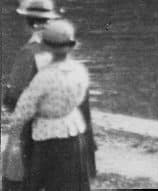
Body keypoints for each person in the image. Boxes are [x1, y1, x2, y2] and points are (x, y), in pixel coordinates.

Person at [9, 20, 95, 191]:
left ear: (46, 46)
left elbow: (22, 111)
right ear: (71, 46)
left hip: (47, 137)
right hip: (74, 131)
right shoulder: (80, 70)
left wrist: (16, 131)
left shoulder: (44, 77)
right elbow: (80, 98)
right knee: (72, 182)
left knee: (44, 182)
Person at [2, 0, 61, 191]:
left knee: (15, 175)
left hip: (29, 125)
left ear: (28, 23)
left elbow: (12, 98)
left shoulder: (29, 52)